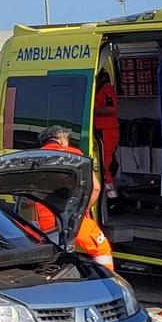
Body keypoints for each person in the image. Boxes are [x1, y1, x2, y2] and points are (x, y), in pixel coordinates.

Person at [38, 126, 113, 269]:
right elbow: (95, 188)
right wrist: (82, 210)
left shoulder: (36, 157)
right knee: (102, 250)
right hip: (75, 217)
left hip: (46, 221)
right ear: (61, 139)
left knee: (47, 256)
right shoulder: (76, 155)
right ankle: (106, 284)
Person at [93, 70, 120, 198]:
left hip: (107, 132)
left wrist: (92, 109)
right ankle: (109, 195)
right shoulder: (98, 89)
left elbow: (111, 108)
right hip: (100, 131)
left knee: (104, 165)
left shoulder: (106, 89)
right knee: (102, 164)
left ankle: (111, 197)